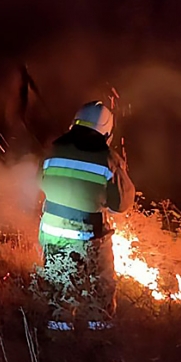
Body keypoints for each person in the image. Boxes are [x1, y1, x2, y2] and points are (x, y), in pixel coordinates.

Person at [38, 101, 135, 329]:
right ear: (107, 130)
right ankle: (97, 330)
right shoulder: (108, 158)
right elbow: (121, 204)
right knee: (99, 282)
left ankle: (57, 332)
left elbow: (39, 183)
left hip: (51, 231)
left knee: (59, 282)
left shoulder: (53, 148)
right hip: (89, 235)